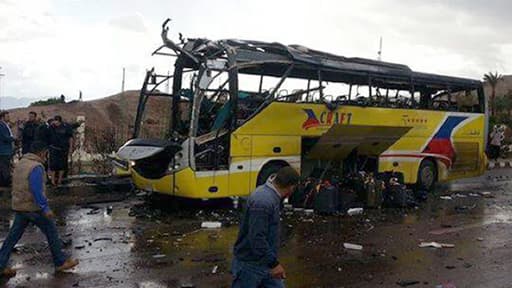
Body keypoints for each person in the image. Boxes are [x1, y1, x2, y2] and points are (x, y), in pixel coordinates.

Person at [0, 141, 79, 278]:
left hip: (20, 206)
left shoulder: (21, 163)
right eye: (46, 153)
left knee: (12, 237)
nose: (46, 156)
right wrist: (45, 208)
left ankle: (1, 264)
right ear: (42, 152)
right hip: (32, 207)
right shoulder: (36, 167)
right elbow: (36, 190)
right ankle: (60, 261)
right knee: (51, 230)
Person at [232, 166, 300, 288]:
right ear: (291, 187)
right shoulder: (264, 201)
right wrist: (273, 264)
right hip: (251, 264)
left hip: (263, 261)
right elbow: (257, 237)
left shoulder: (269, 195)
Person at [48, 116, 73, 186]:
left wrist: (71, 148)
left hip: (63, 149)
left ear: (60, 121)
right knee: (53, 165)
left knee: (62, 165)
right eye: (54, 121)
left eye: (57, 121)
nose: (55, 122)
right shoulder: (51, 127)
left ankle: (60, 180)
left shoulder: (66, 127)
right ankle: (53, 181)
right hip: (53, 148)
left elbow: (70, 138)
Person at [0, 111, 15, 187]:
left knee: (5, 166)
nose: (9, 117)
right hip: (3, 151)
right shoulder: (1, 125)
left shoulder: (5, 125)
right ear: (3, 117)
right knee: (5, 167)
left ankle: (4, 182)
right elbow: (4, 137)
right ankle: (5, 182)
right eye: (7, 116)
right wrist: (13, 138)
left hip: (5, 150)